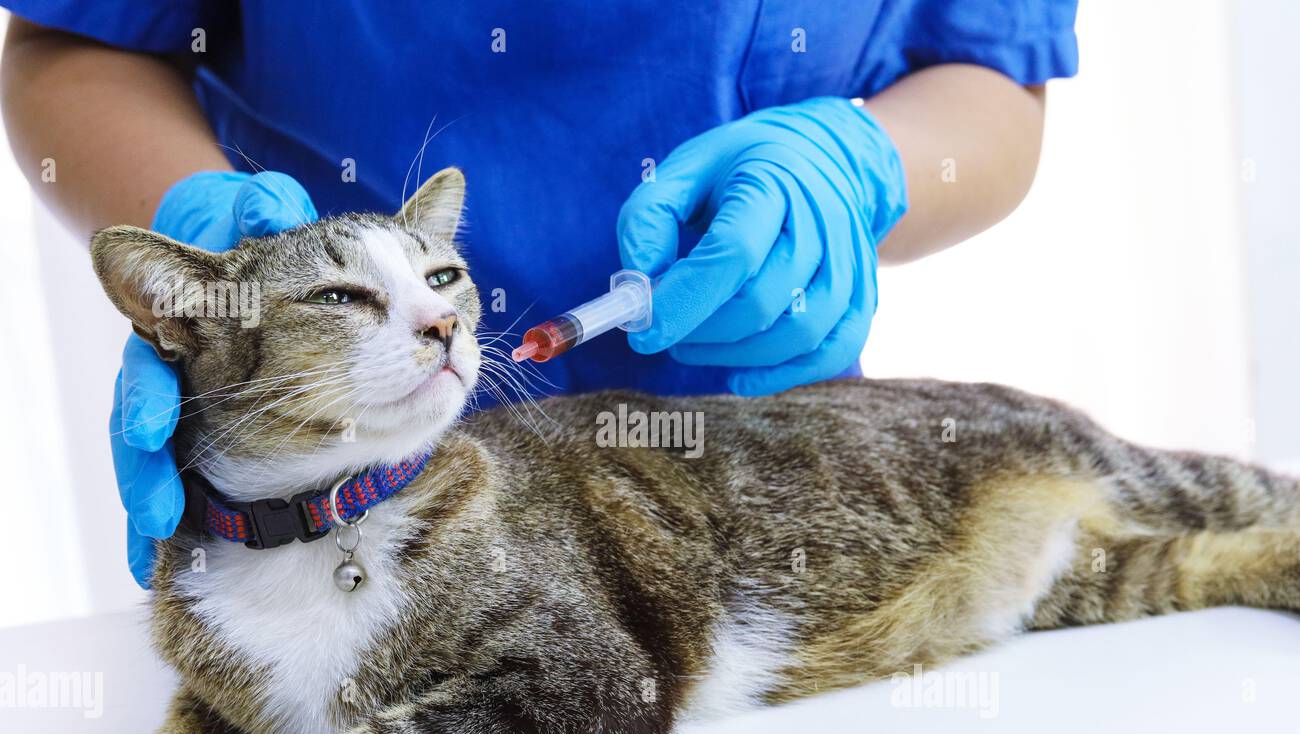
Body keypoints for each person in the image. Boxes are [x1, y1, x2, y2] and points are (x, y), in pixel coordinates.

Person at [0, 2, 1078, 586]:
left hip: (753, 454)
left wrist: (856, 165)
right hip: (341, 500)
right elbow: (67, 38)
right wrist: (205, 248)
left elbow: (991, 68)